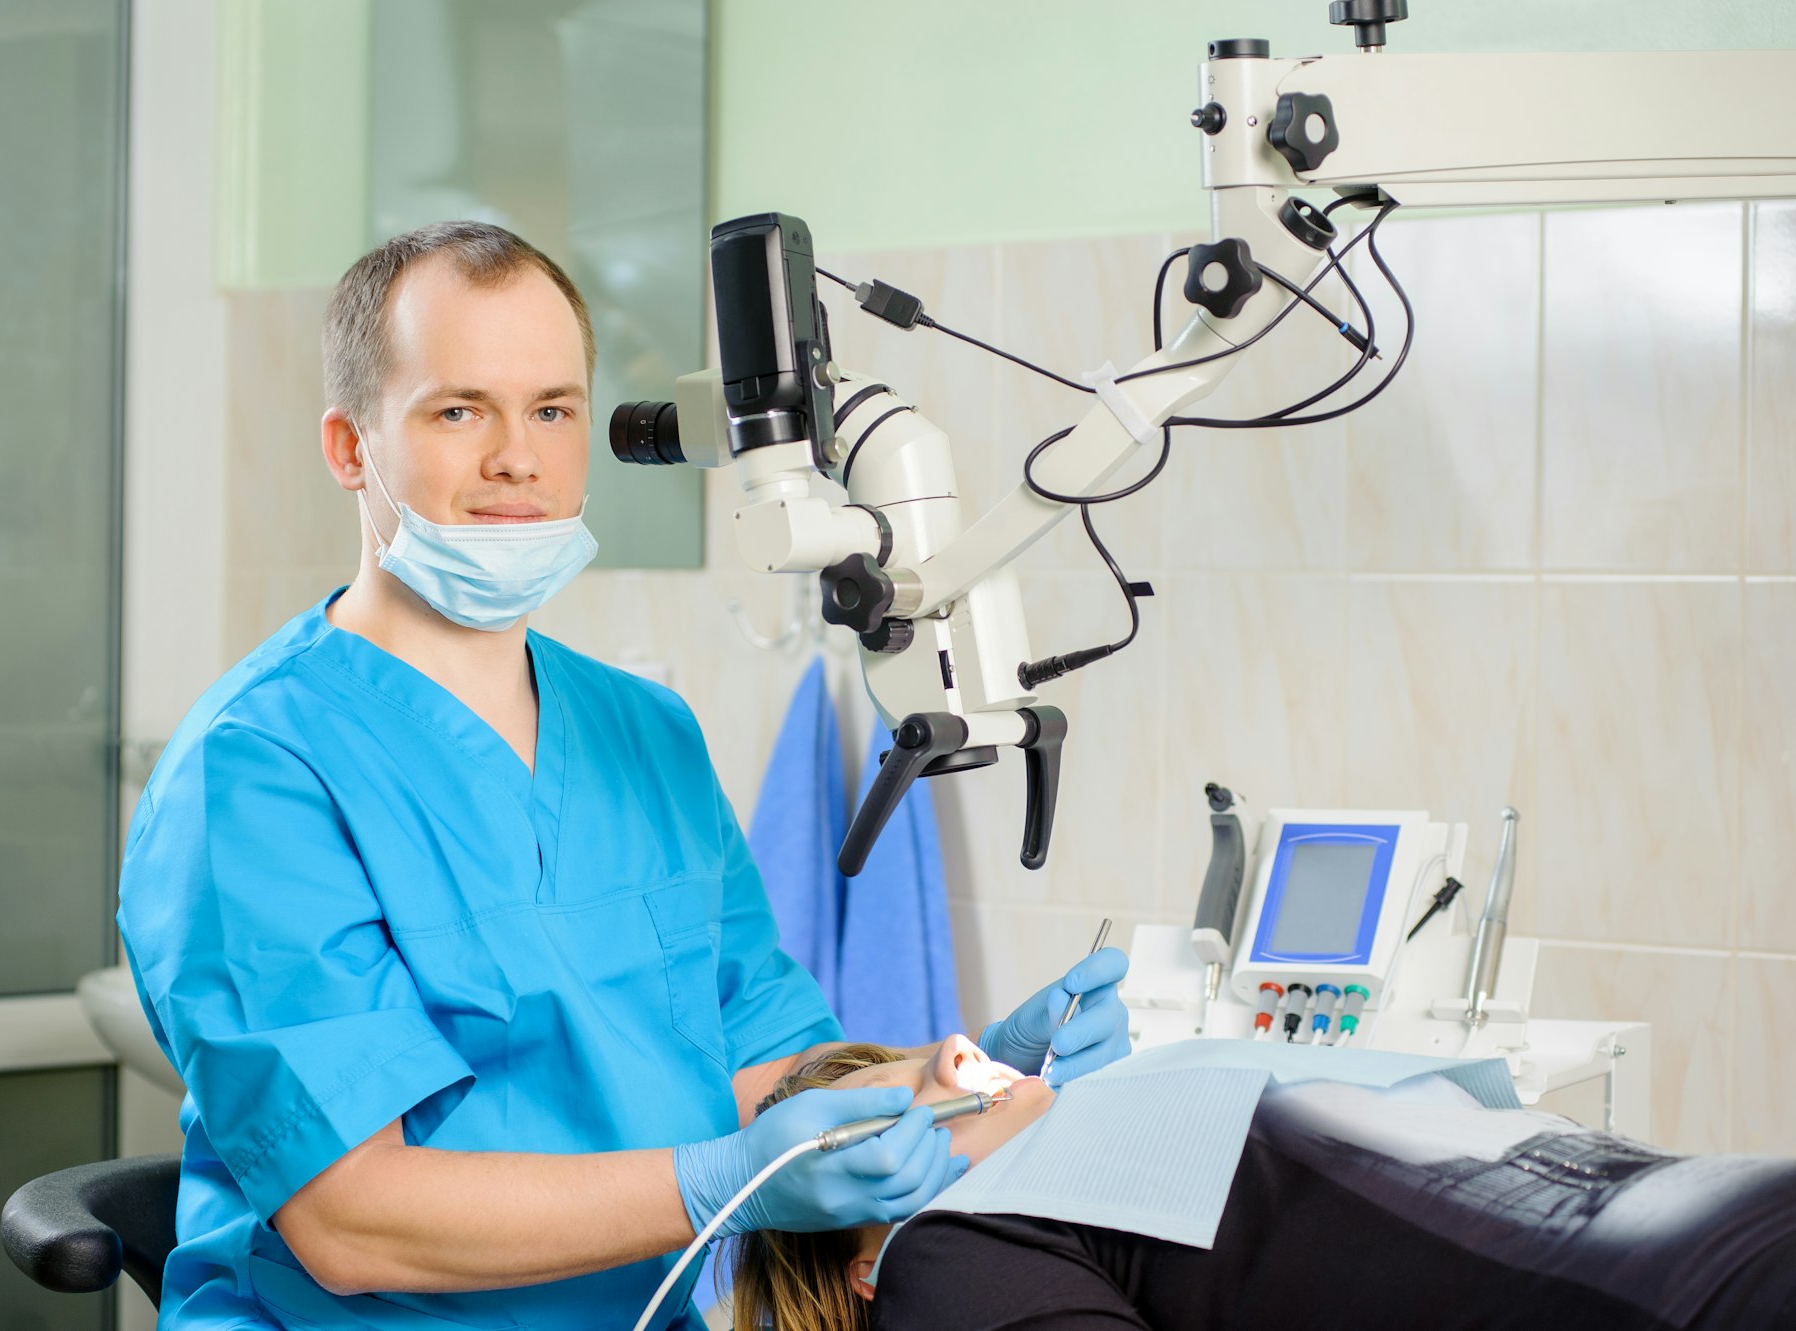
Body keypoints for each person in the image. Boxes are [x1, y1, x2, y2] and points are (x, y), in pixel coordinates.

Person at [114, 219, 1132, 1331]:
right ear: (350, 447)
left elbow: (771, 1070)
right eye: (460, 410)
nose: (518, 459)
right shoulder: (258, 771)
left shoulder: (644, 730)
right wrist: (713, 1181)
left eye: (551, 409)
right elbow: (351, 1221)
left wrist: (965, 1075)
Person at [727, 1040, 1796, 1331]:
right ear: (857, 1264)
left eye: (923, 1050)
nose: (956, 1059)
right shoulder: (944, 1252)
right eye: (900, 1103)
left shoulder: (1133, 1090)